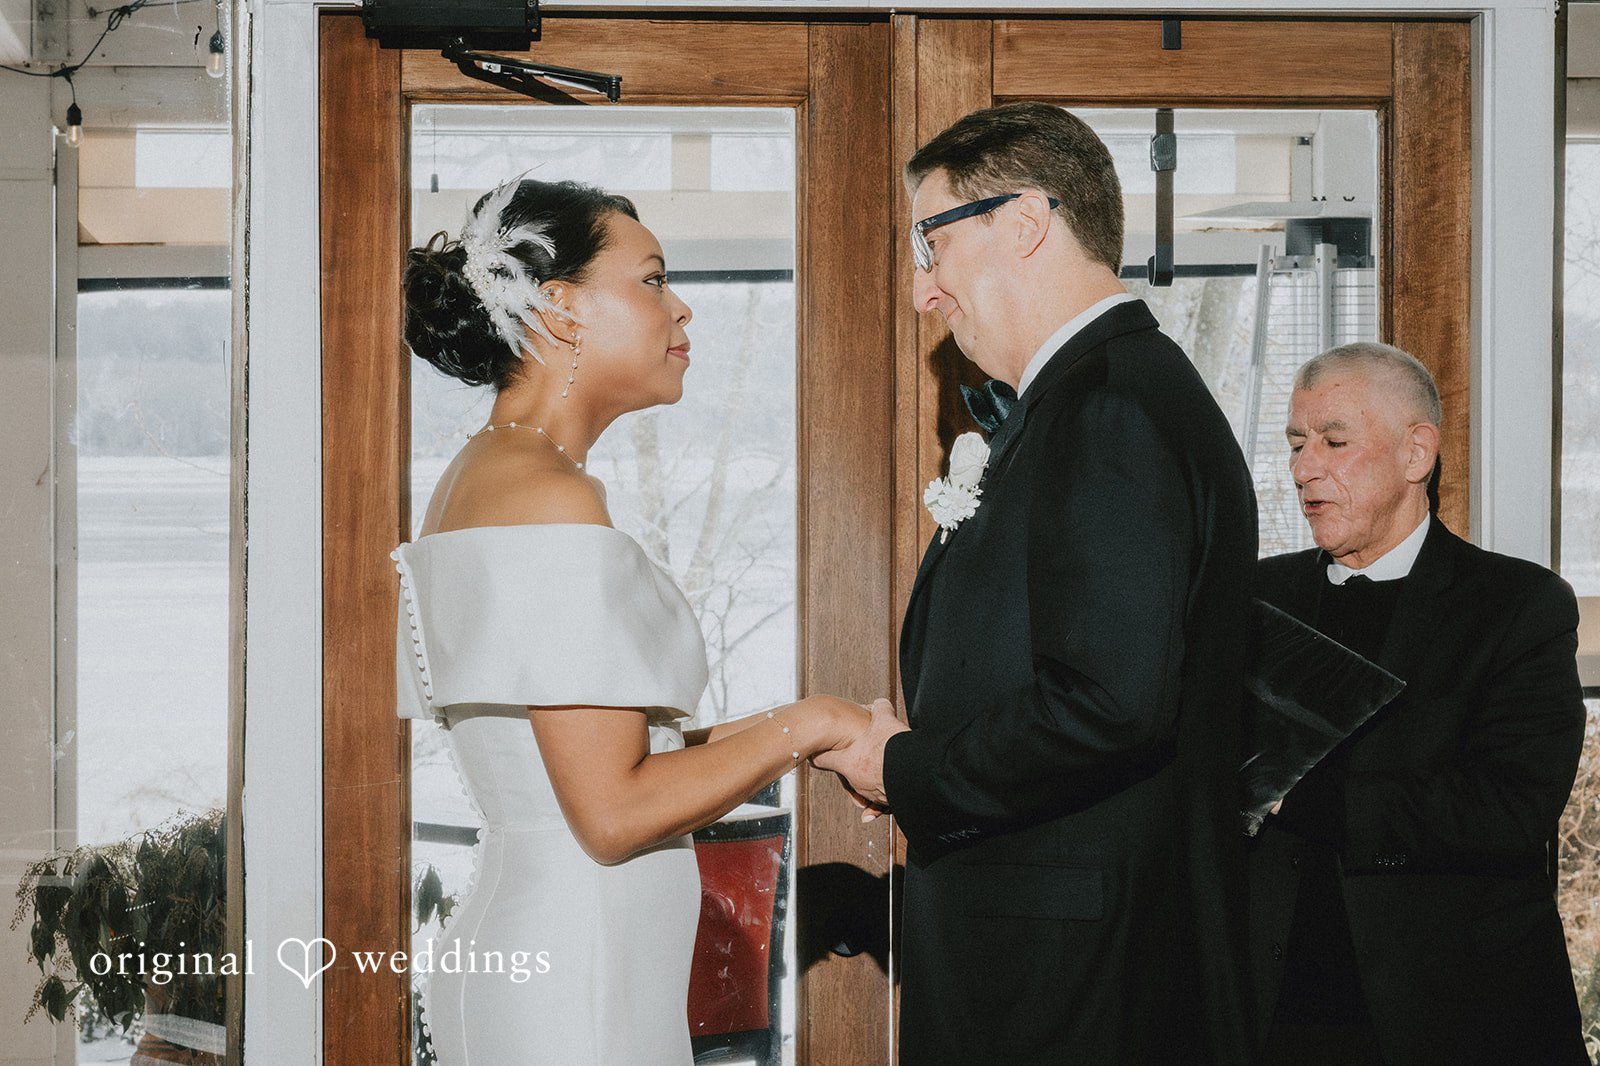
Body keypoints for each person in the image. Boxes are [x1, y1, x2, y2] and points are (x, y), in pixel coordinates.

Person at [393, 176, 874, 1065]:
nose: (681, 308)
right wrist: (811, 721)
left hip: (555, 953)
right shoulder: (550, 500)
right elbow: (613, 811)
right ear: (563, 307)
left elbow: (602, 764)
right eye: (653, 280)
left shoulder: (485, 478)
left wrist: (815, 727)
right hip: (580, 979)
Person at [815, 101, 1257, 1063]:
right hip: (1055, 958)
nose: (923, 292)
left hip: (1076, 985)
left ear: (1025, 223)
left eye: (929, 246)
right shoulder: (1092, 399)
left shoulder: (1109, 410)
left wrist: (907, 768)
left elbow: (1110, 703)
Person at [1251, 342, 1587, 1065]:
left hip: (1457, 1022)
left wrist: (1292, 792)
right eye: (1296, 444)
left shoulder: (1517, 608)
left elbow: (1509, 809)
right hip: (1268, 1021)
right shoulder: (1251, 599)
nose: (1305, 468)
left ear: (1417, 454)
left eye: (1334, 441)